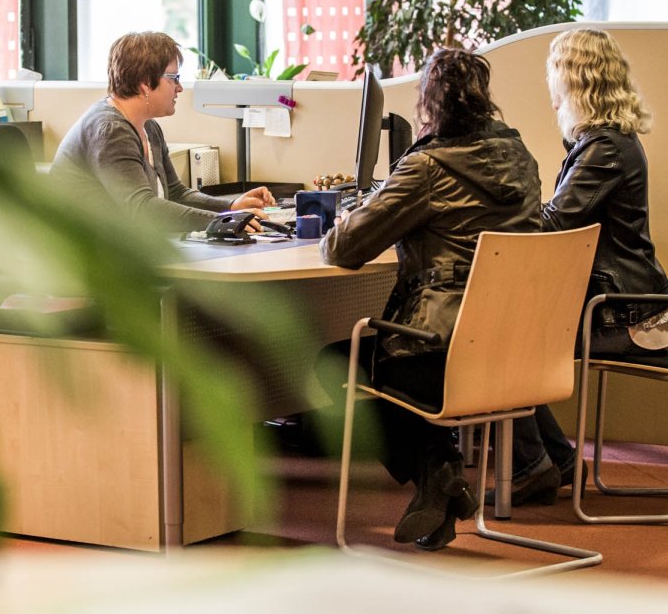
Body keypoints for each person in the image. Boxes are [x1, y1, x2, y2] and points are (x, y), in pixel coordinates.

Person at [320, 48, 541, 550]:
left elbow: (344, 248)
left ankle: (438, 473)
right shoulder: (521, 159)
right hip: (516, 346)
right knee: (388, 359)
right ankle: (437, 484)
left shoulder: (427, 167)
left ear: (429, 106)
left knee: (337, 363)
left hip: (440, 350)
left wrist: (347, 215)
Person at [502, 27, 668, 506]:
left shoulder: (605, 149)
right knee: (506, 333)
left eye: (555, 80)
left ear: (574, 82)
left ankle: (538, 463)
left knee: (497, 337)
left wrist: (495, 210)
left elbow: (554, 222)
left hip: (622, 314)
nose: (551, 96)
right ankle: (553, 461)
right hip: (628, 304)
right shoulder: (606, 142)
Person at [50, 31, 274, 232]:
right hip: (84, 260)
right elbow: (143, 208)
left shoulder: (147, 125)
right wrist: (225, 221)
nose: (179, 87)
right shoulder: (110, 131)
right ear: (145, 83)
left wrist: (231, 206)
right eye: (174, 78)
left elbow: (175, 193)